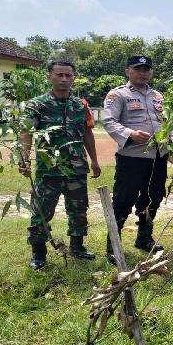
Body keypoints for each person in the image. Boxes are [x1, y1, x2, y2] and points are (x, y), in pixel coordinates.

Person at [19, 60, 101, 270]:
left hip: (76, 168)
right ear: (49, 76)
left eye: (68, 75)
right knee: (41, 211)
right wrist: (24, 158)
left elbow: (87, 133)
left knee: (78, 209)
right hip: (49, 170)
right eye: (59, 75)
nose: (64, 79)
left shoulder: (80, 105)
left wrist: (94, 160)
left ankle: (77, 247)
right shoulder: (37, 104)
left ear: (73, 78)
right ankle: (39, 254)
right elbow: (26, 132)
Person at [102, 55, 167, 264]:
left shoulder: (158, 96)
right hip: (132, 158)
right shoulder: (118, 94)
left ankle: (144, 238)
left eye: (146, 69)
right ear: (127, 71)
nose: (142, 73)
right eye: (138, 69)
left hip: (158, 157)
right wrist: (130, 133)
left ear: (151, 72)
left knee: (153, 198)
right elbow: (109, 121)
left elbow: (167, 123)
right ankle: (113, 245)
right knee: (123, 200)